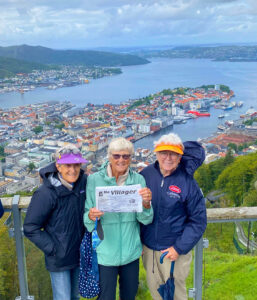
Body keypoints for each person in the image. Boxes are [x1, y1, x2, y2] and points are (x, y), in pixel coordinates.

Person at [84, 137, 153, 300]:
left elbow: (146, 220)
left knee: (129, 296)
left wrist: (146, 204)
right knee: (106, 297)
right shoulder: (94, 180)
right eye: (116, 156)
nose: (121, 160)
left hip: (131, 252)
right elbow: (87, 221)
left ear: (131, 158)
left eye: (126, 156)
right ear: (108, 157)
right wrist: (90, 215)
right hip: (105, 252)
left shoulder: (138, 180)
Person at [140, 133, 207, 300]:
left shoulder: (187, 181)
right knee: (156, 293)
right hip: (149, 250)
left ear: (180, 157)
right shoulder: (145, 175)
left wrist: (178, 248)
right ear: (156, 153)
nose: (168, 158)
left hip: (174, 251)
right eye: (164, 152)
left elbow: (198, 221)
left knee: (176, 295)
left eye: (174, 153)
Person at [23, 145, 88, 300]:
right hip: (59, 258)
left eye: (76, 165)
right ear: (58, 166)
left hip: (79, 254)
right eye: (67, 165)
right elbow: (30, 227)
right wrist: (53, 249)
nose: (72, 170)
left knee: (75, 296)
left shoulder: (84, 183)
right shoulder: (45, 193)